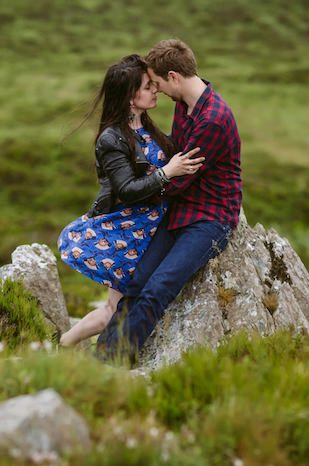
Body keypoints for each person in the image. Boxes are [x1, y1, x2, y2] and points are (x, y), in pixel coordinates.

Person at [96, 39, 243, 362]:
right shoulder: (184, 105)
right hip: (179, 211)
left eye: (159, 83)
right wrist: (158, 178)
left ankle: (114, 363)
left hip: (210, 219)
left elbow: (179, 179)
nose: (158, 91)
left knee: (157, 289)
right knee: (135, 285)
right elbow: (174, 163)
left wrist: (142, 188)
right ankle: (98, 360)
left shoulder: (213, 120)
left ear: (174, 76)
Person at [57, 54, 204, 347]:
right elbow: (127, 189)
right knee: (117, 306)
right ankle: (63, 345)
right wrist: (167, 172)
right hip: (127, 231)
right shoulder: (111, 138)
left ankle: (63, 344)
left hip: (151, 228)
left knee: (118, 304)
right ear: (129, 97)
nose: (155, 90)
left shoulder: (145, 126)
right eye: (148, 86)